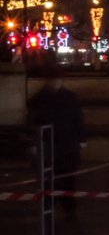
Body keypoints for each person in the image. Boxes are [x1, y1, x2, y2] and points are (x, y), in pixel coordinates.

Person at [28, 75, 85, 218]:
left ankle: (65, 209)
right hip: (55, 144)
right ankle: (54, 208)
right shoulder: (43, 99)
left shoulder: (43, 99)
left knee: (66, 180)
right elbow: (33, 122)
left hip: (63, 144)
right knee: (52, 179)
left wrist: (81, 138)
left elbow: (78, 119)